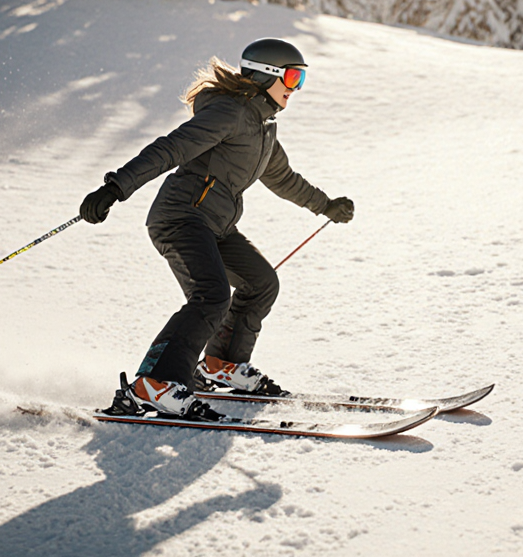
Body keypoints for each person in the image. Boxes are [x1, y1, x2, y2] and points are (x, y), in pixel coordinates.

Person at [80, 38, 354, 421]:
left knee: (261, 283)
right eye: (293, 77)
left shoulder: (263, 130)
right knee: (211, 296)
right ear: (266, 76)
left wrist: (326, 205)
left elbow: (285, 179)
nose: (296, 89)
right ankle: (153, 384)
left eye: (301, 79)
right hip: (180, 218)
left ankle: (220, 364)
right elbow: (171, 148)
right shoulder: (229, 113)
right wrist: (116, 187)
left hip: (217, 226)